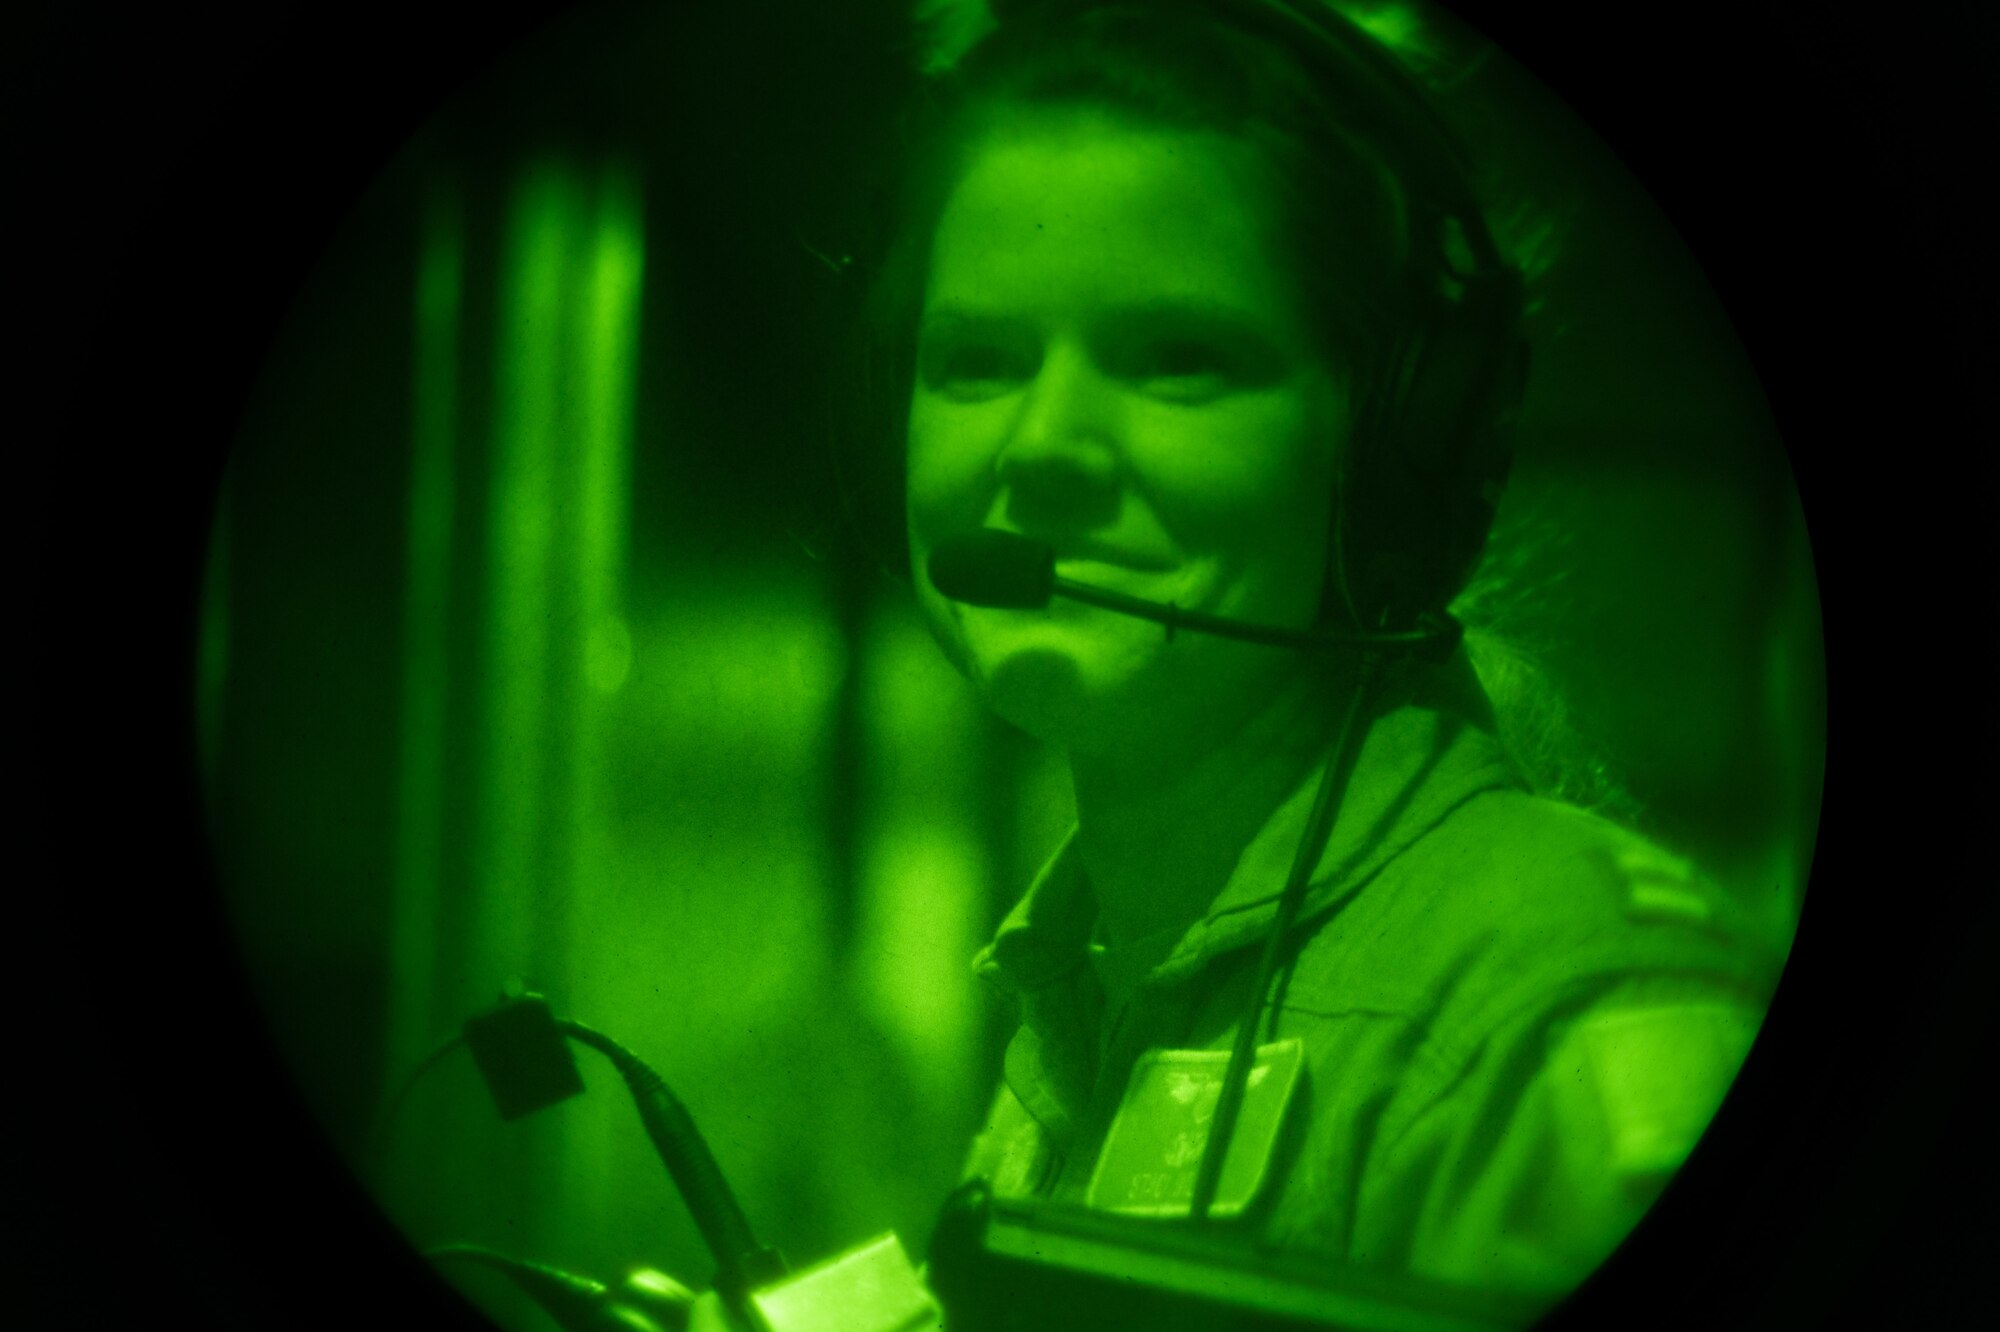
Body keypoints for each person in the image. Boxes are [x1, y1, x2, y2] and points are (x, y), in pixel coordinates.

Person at [845, 0, 1786, 1324]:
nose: (1040, 445)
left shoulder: (1551, 1018)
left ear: (1397, 453)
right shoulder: (1081, 986)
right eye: (976, 362)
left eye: (1181, 361)